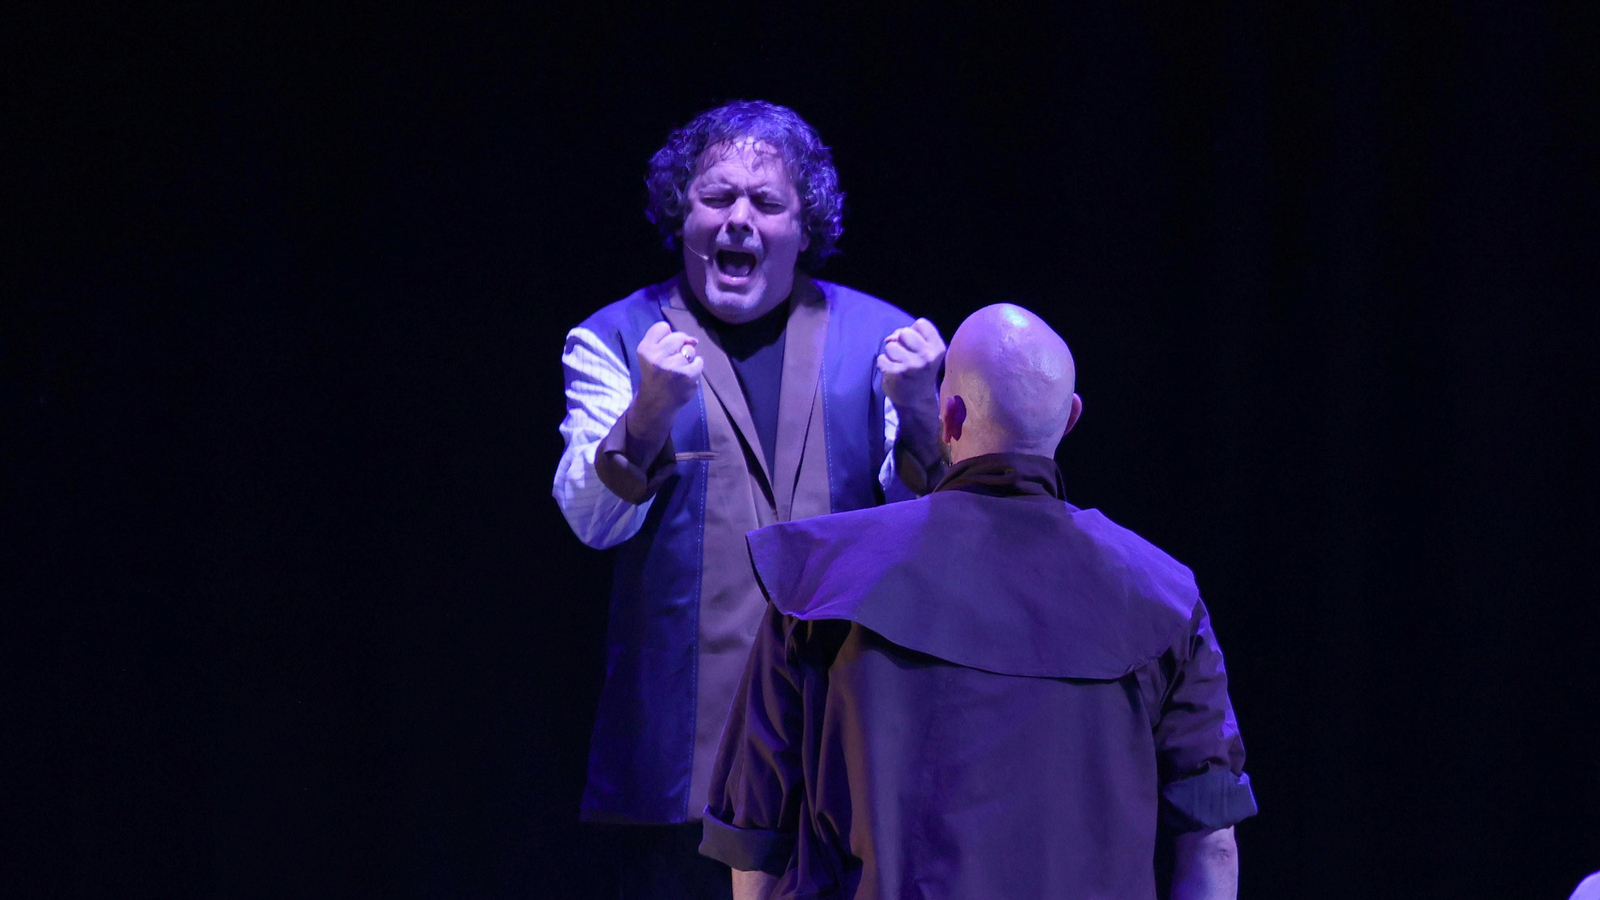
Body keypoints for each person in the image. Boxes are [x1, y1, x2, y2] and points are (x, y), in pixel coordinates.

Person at [699, 304, 1258, 899]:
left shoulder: (814, 579)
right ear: (1071, 419)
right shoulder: (1162, 597)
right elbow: (1211, 843)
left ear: (948, 417)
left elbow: (756, 843)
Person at [553, 100, 948, 898]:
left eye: (766, 202)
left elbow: (932, 536)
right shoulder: (616, 338)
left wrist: (917, 410)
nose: (738, 219)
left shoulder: (885, 341)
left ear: (805, 227)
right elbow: (591, 521)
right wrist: (648, 412)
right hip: (680, 766)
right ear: (681, 214)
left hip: (843, 756)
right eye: (716, 197)